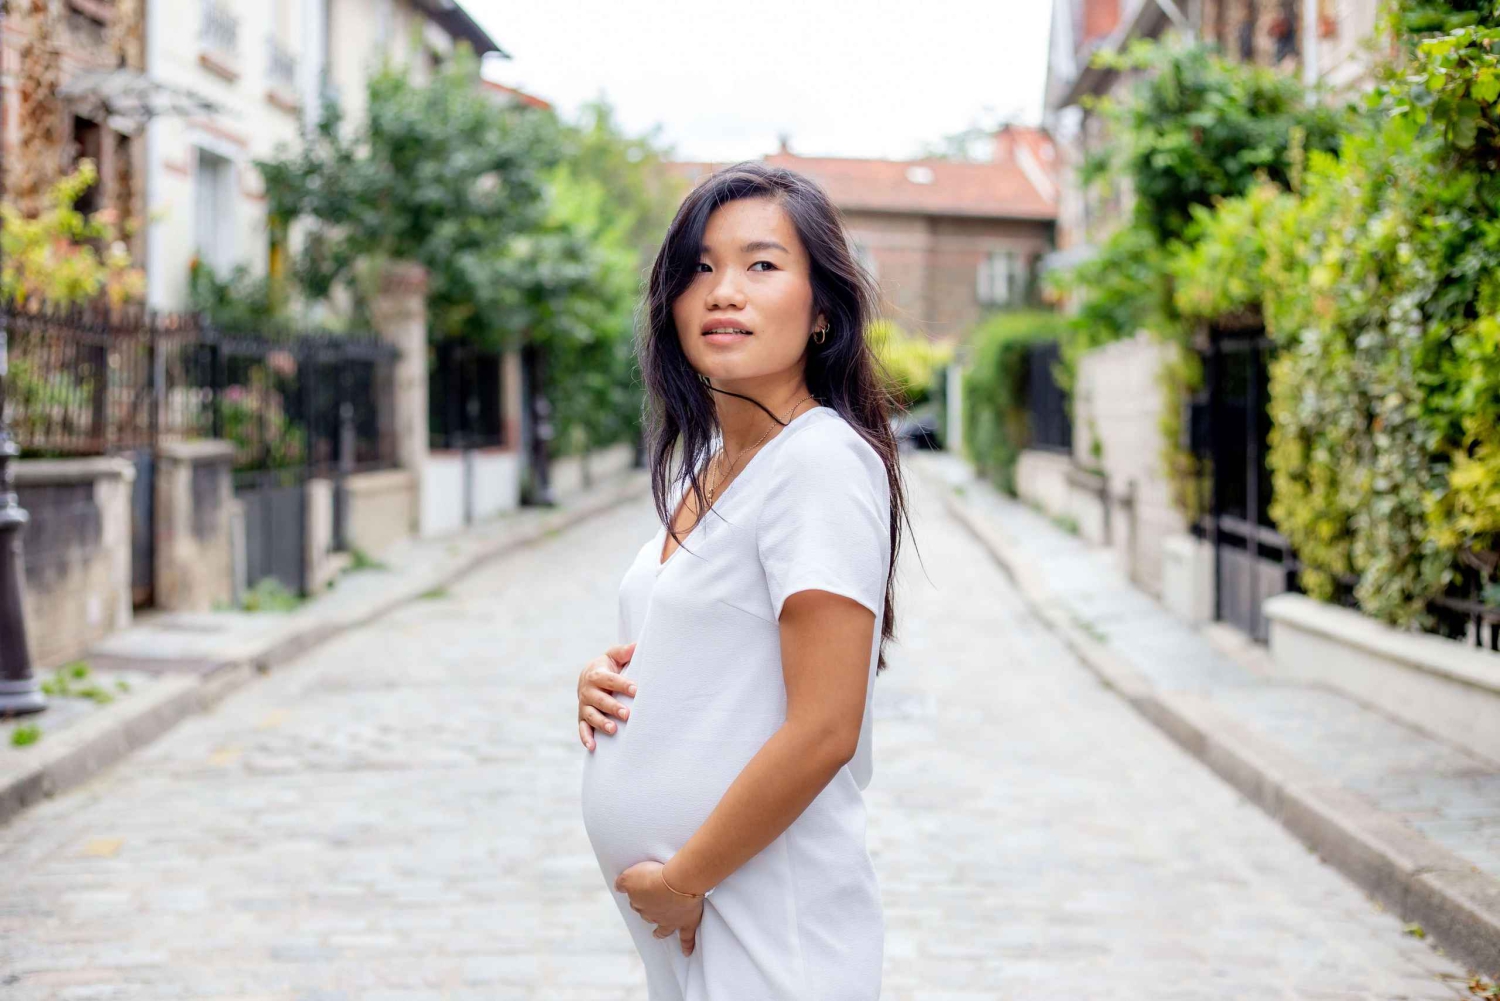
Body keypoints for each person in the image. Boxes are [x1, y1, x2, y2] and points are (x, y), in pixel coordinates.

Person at [576, 161, 910, 1001]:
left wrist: (685, 878)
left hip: (769, 924)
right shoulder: (712, 465)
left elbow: (827, 725)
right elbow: (710, 647)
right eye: (700, 267)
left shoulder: (820, 461)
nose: (724, 290)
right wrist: (608, 685)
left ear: (822, 308)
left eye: (762, 264)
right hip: (713, 929)